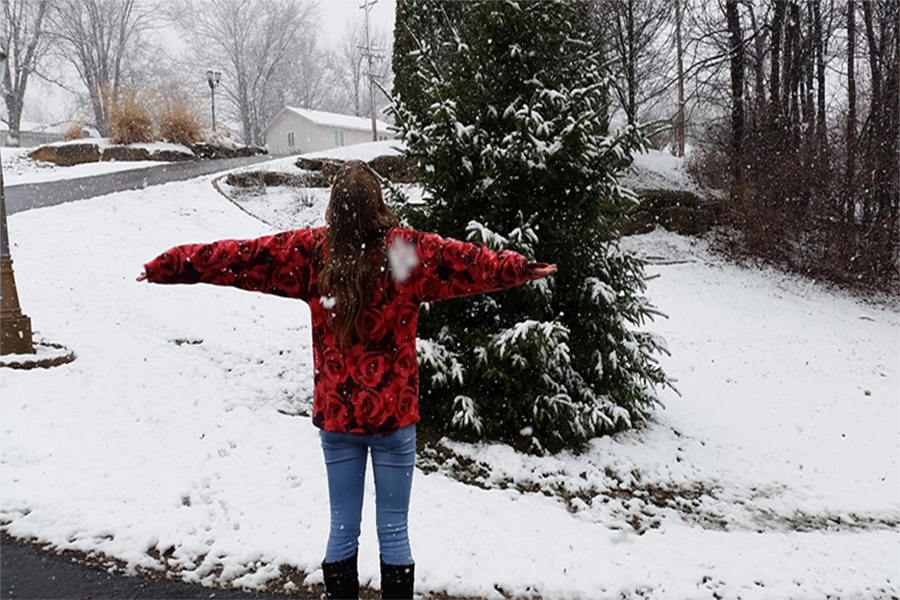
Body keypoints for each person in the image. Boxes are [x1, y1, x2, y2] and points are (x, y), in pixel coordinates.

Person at [139, 160, 556, 600]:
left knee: (342, 529)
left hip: (338, 421)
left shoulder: (313, 253)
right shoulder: (402, 253)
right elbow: (464, 262)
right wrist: (519, 267)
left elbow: (240, 258)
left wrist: (168, 266)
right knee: (394, 532)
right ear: (378, 205)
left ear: (334, 209)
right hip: (394, 420)